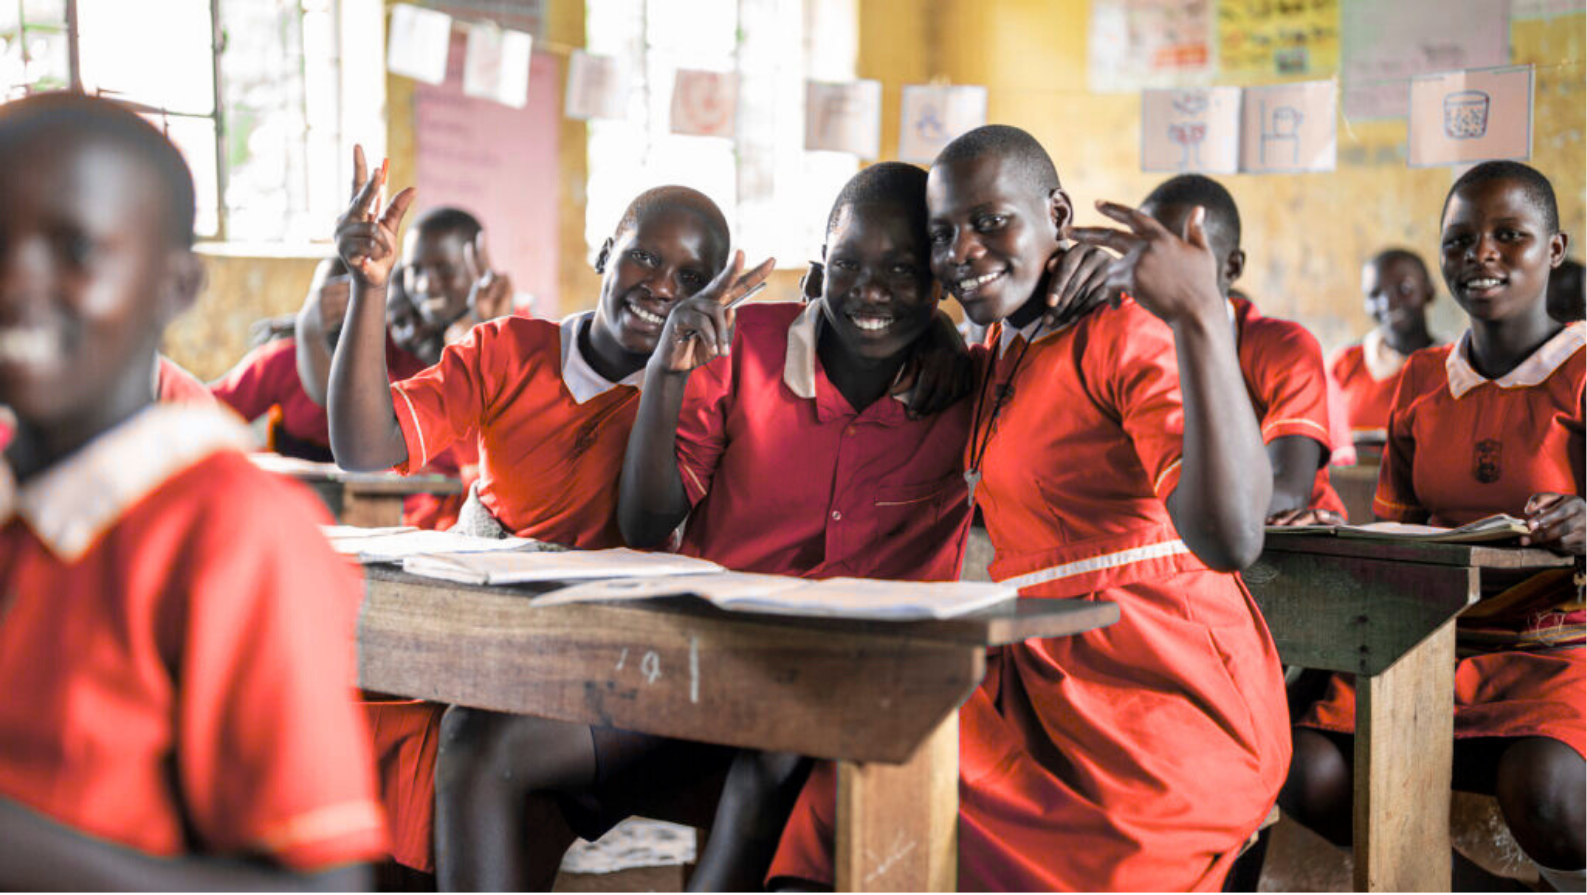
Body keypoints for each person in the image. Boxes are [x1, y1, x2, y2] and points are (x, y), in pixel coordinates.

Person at [768, 125, 1288, 892]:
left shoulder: (1125, 332)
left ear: (1056, 213)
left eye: (990, 222)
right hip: (1041, 690)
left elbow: (1231, 537)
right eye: (943, 233)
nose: (965, 251)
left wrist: (1199, 317)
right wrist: (943, 329)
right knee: (845, 793)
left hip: (1158, 702)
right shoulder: (1002, 350)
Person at [0, 91, 385, 891]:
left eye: (74, 249)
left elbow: (322, 886)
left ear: (174, 287)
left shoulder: (232, 531)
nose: (14, 284)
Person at [1284, 161, 1587, 893]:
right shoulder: (1421, 379)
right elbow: (1401, 531)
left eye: (1507, 235)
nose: (1478, 254)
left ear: (1552, 249)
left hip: (1557, 645)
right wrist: (1327, 527)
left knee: (1542, 786)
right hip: (1428, 643)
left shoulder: (1580, 369)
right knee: (1303, 769)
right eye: (1458, 241)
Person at [1141, 175, 1345, 525]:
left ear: (1232, 267)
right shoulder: (1128, 344)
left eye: (1185, 257)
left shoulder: (1281, 347)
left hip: (1292, 545)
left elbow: (1286, 493)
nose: (1162, 273)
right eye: (1147, 255)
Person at [1329, 248, 1441, 444]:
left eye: (1404, 289)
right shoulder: (1344, 364)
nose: (1388, 302)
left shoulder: (1457, 366)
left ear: (1429, 290)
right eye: (1374, 294)